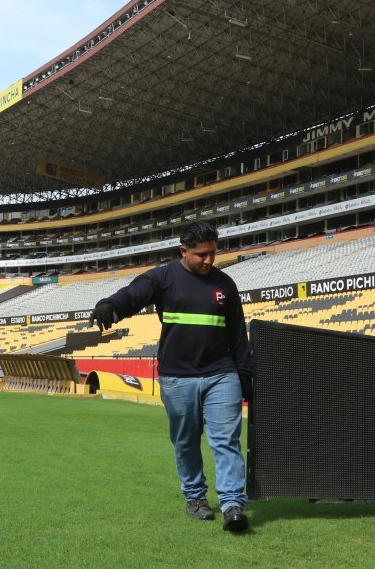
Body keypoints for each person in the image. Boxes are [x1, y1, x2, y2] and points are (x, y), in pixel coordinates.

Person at [89, 221, 253, 533]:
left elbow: (237, 334)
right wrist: (111, 305)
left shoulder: (226, 284)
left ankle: (233, 504)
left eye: (212, 254)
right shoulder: (163, 277)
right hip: (178, 378)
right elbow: (134, 293)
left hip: (222, 374)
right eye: (200, 254)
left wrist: (244, 374)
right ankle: (196, 499)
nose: (208, 260)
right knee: (186, 440)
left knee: (226, 441)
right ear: (183, 251)